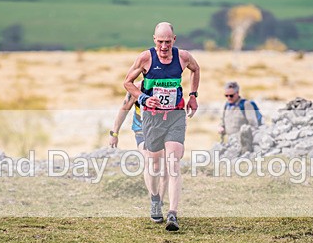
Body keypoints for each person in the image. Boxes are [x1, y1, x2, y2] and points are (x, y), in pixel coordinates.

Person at [123, 22, 200, 231]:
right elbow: (127, 82)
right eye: (160, 42)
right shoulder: (145, 58)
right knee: (154, 165)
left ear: (174, 40)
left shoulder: (183, 57)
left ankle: (173, 214)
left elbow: (195, 69)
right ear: (154, 40)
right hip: (152, 118)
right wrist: (143, 98)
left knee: (173, 163)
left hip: (175, 115)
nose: (164, 46)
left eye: (168, 42)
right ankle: (155, 198)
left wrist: (193, 95)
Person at [108, 90, 168, 210]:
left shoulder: (168, 84)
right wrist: (114, 133)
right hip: (142, 129)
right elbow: (124, 108)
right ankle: (154, 199)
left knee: (165, 165)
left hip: (163, 128)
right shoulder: (137, 88)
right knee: (150, 161)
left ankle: (160, 200)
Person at [218, 81, 262, 148]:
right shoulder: (226, 105)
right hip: (230, 142)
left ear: (237, 93)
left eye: (231, 95)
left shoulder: (246, 105)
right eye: (226, 95)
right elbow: (222, 121)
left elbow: (253, 125)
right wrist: (221, 128)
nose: (228, 98)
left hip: (243, 144)